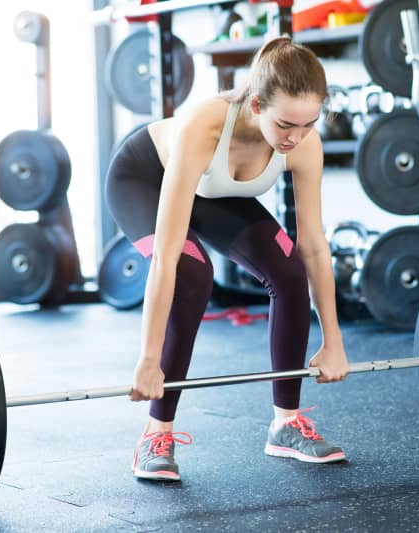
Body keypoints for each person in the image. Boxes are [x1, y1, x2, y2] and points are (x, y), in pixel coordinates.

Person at [106, 35, 350, 481]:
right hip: (144, 178)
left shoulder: (302, 142)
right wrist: (148, 358)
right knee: (193, 272)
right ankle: (155, 433)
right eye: (286, 126)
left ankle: (286, 423)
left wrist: (332, 341)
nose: (296, 138)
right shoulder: (206, 126)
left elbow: (314, 244)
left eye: (309, 125)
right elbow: (165, 257)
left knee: (289, 270)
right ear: (256, 106)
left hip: (213, 189)